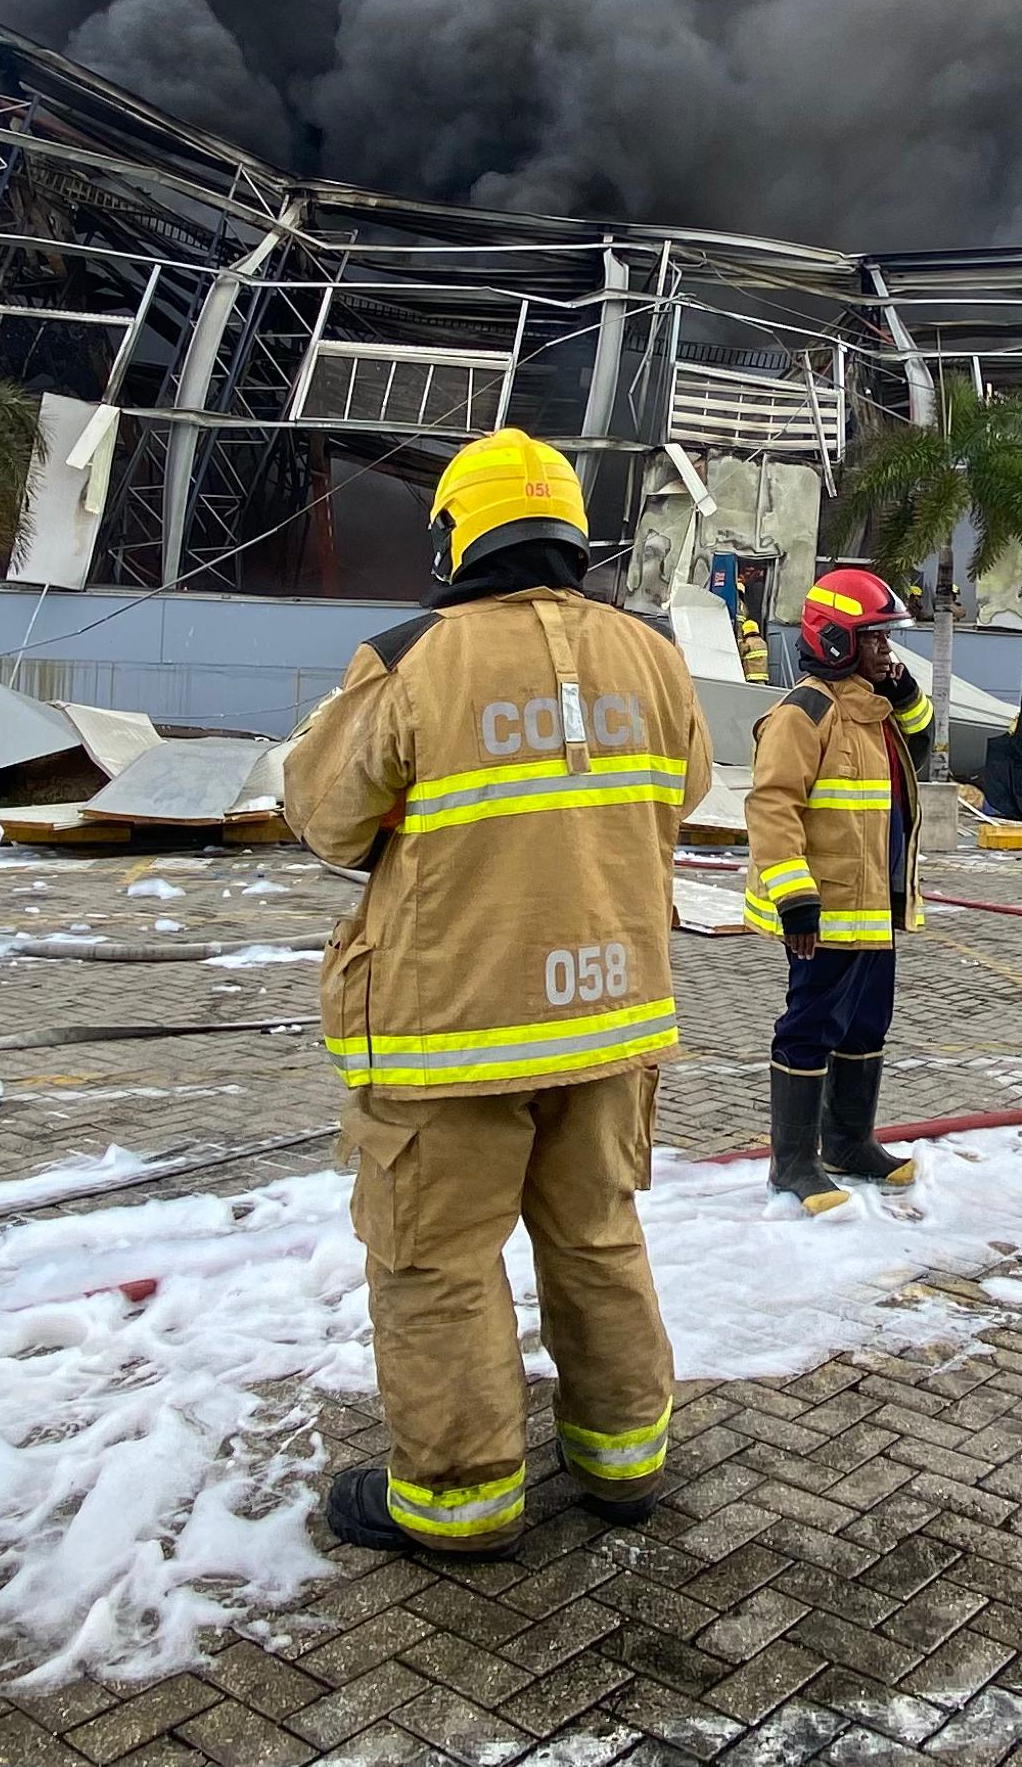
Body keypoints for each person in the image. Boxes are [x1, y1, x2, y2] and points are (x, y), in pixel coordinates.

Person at [283, 428, 710, 1558]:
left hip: (452, 1030)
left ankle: (460, 1498)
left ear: (454, 537)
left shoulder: (412, 658)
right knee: (598, 1237)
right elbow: (689, 786)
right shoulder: (656, 656)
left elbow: (325, 816)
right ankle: (624, 1459)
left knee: (437, 1262)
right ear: (571, 532)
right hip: (612, 1016)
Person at [741, 567, 935, 1214]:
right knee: (810, 1027)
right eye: (876, 641)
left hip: (875, 905)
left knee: (866, 1024)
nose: (888, 653)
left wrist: (902, 687)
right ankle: (792, 1164)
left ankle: (849, 1143)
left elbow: (924, 741)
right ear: (834, 642)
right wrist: (794, 898)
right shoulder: (806, 714)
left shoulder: (874, 710)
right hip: (824, 911)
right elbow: (773, 807)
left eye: (888, 641)